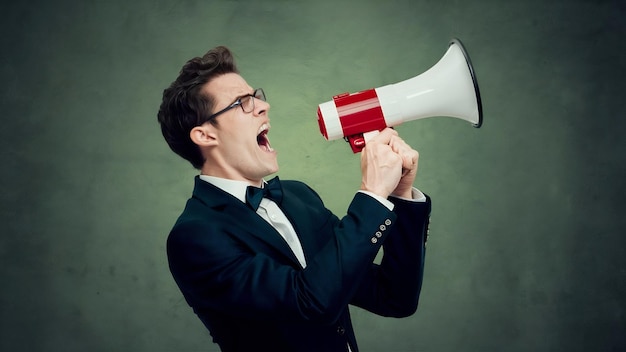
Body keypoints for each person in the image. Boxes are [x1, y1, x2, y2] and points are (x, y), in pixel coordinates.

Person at [157, 46, 432, 352]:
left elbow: (393, 297)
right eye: (241, 103)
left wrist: (399, 193)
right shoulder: (194, 238)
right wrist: (372, 194)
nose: (264, 106)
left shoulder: (298, 197)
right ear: (206, 135)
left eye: (256, 95)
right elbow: (310, 303)